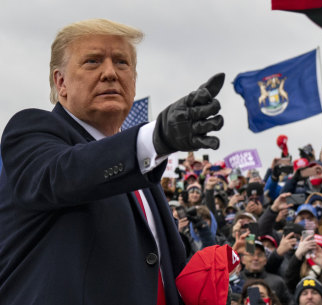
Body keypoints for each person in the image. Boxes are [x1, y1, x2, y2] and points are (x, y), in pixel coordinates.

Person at [0, 19, 224, 304]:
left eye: (122, 62)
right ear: (61, 82)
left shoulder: (142, 170)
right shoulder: (30, 131)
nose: (110, 73)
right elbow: (64, 173)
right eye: (92, 61)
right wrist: (156, 139)